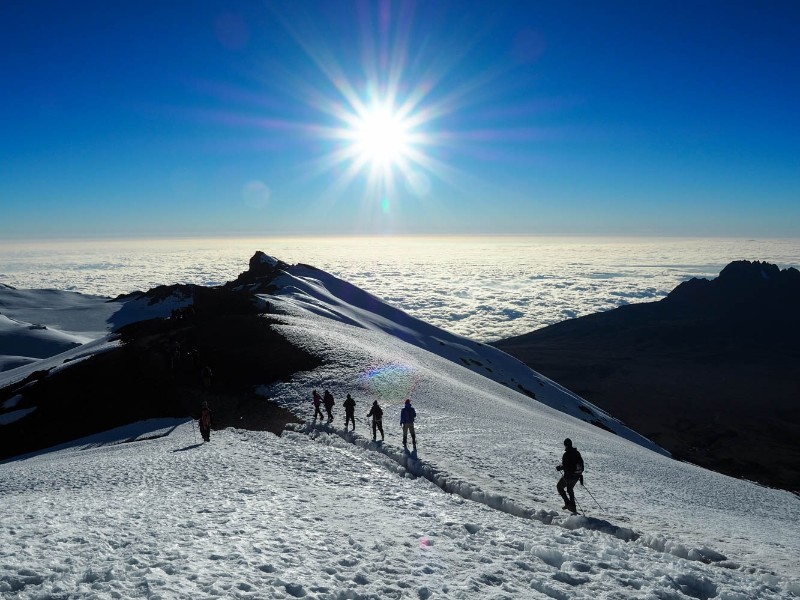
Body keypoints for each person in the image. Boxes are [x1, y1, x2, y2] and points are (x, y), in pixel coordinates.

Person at [556, 438, 584, 514]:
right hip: (577, 475)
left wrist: (559, 468)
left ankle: (568, 503)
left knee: (559, 487)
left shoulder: (566, 454)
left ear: (565, 445)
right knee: (570, 489)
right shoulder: (577, 453)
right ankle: (573, 507)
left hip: (569, 476)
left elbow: (566, 466)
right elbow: (581, 464)